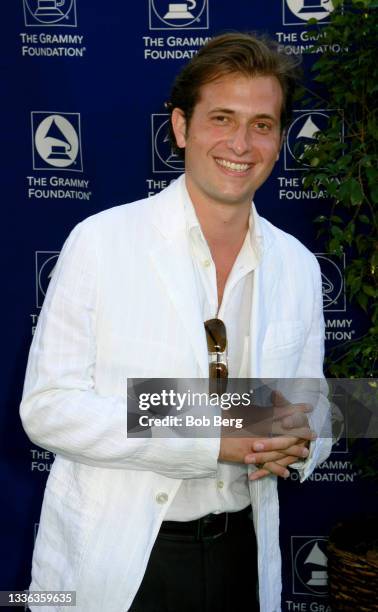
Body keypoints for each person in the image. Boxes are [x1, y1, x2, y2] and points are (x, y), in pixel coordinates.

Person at [20, 32, 331, 612]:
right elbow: (49, 408)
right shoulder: (100, 242)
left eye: (262, 124)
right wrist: (213, 438)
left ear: (279, 137)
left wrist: (302, 441)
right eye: (222, 118)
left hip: (244, 550)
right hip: (123, 559)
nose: (241, 142)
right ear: (182, 128)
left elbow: (305, 405)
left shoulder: (298, 266)